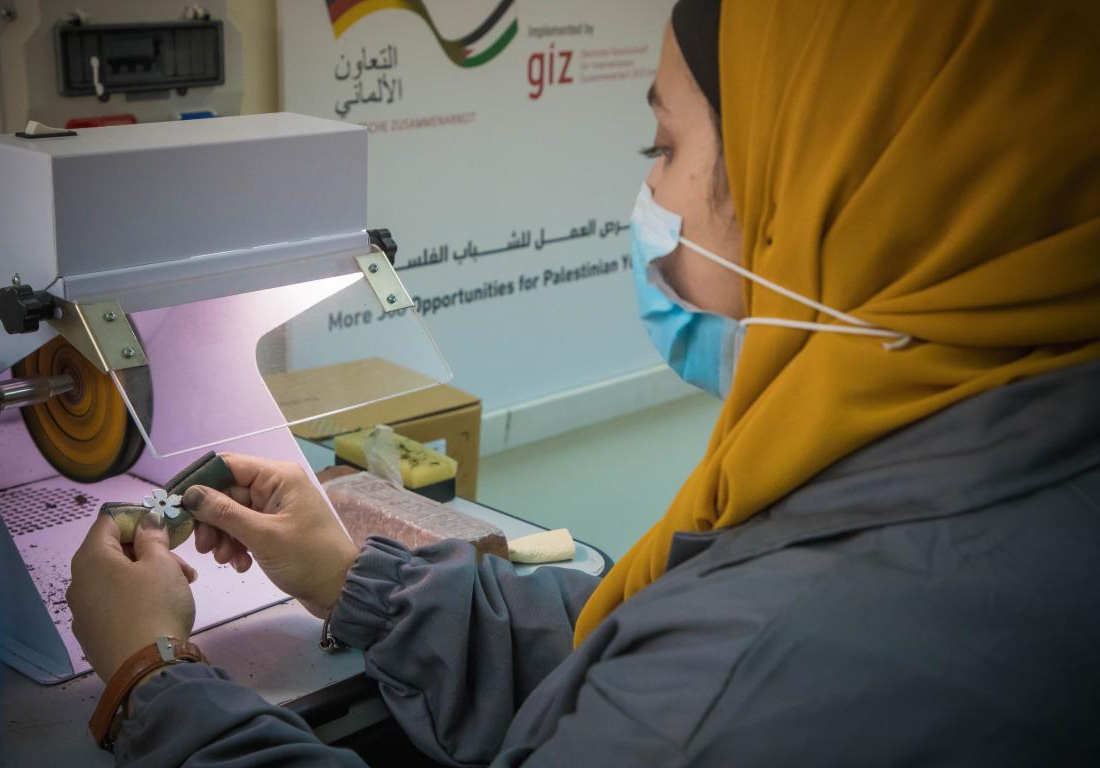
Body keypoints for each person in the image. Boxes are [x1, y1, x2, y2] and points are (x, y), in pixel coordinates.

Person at [66, 0, 1100, 765]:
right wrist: (358, 584)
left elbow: (683, 680)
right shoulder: (991, 452)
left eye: (667, 145)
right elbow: (631, 641)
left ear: (841, 185)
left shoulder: (771, 672)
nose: (650, 189)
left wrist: (152, 680)